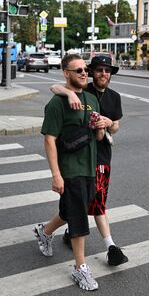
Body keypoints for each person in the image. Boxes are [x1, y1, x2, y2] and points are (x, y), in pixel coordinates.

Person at [33, 54, 105, 292]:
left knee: (72, 209)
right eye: (78, 70)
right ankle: (80, 268)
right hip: (71, 170)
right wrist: (56, 174)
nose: (85, 73)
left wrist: (100, 128)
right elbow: (49, 140)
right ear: (66, 73)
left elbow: (99, 138)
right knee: (78, 217)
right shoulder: (57, 103)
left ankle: (44, 232)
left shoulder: (93, 99)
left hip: (89, 167)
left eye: (86, 69)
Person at [50, 54, 128, 267]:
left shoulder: (114, 97)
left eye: (107, 70)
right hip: (79, 157)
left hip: (102, 157)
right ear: (92, 71)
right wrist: (69, 93)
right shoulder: (84, 88)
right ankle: (109, 246)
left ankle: (54, 231)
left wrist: (109, 122)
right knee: (78, 206)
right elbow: (55, 87)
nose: (104, 74)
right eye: (99, 70)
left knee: (90, 203)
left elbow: (117, 127)